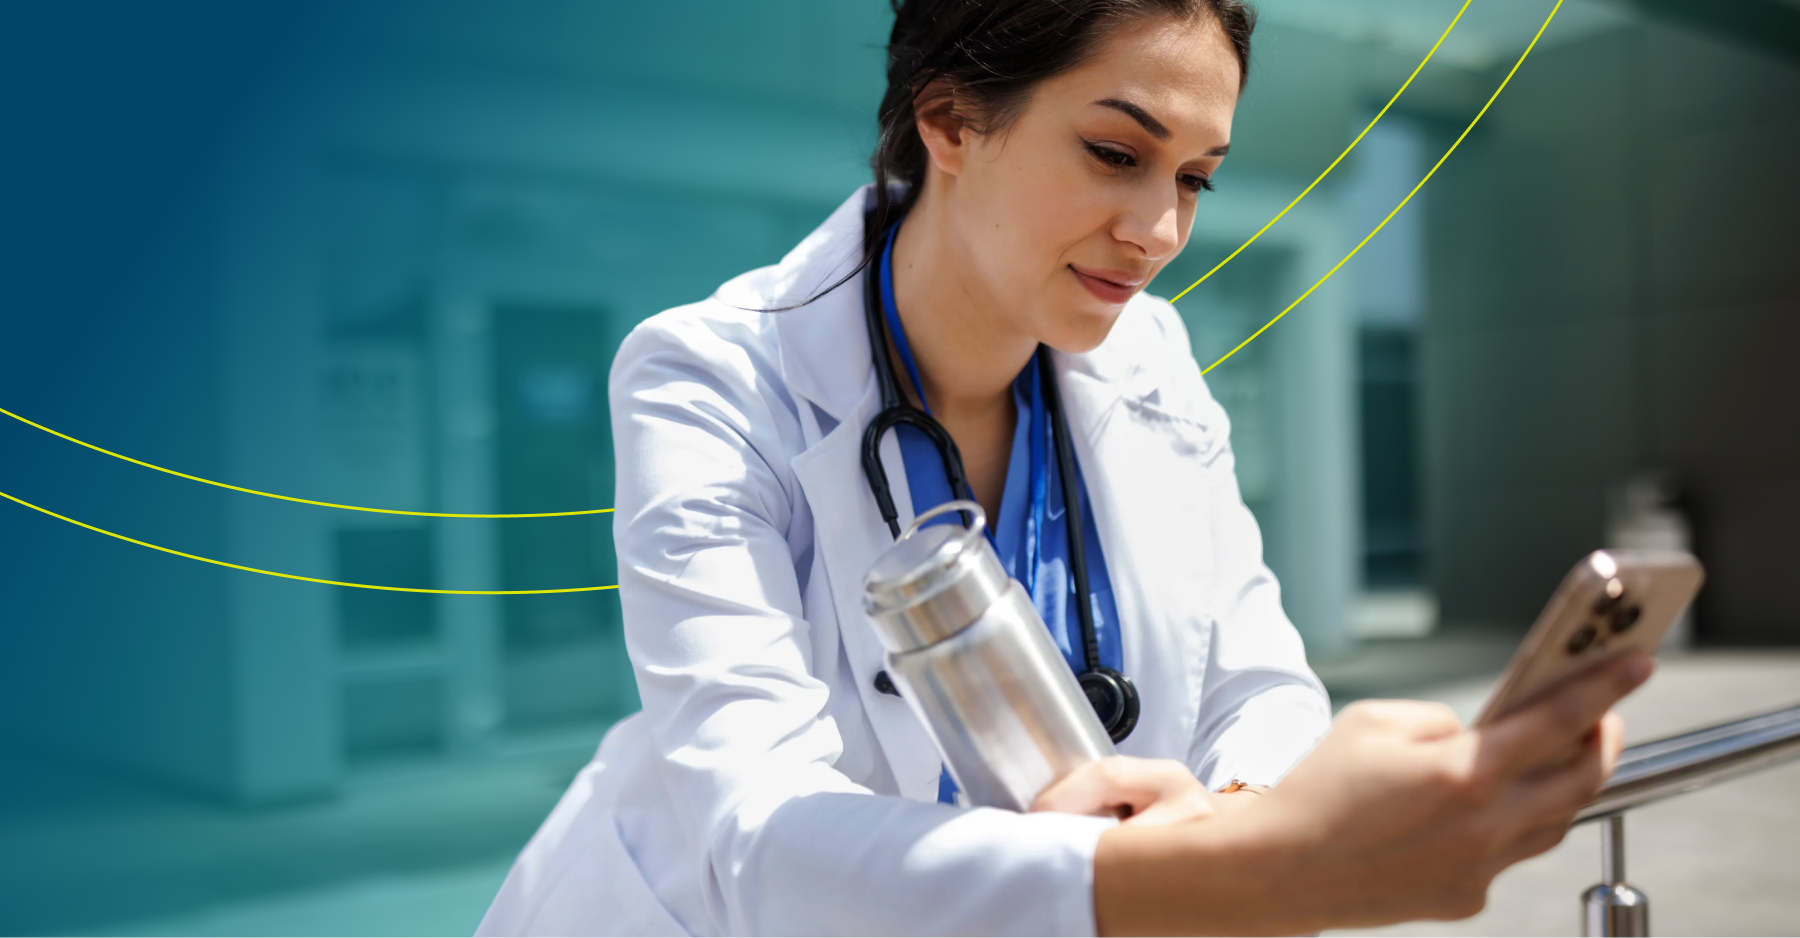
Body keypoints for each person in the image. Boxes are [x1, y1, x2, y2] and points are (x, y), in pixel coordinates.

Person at [474, 1, 1648, 936]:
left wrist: (1229, 812)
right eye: (1114, 152)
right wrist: (1244, 869)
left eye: (1194, 175)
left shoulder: (1148, 356)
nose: (1160, 229)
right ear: (947, 122)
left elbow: (1257, 683)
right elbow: (764, 839)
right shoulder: (712, 377)